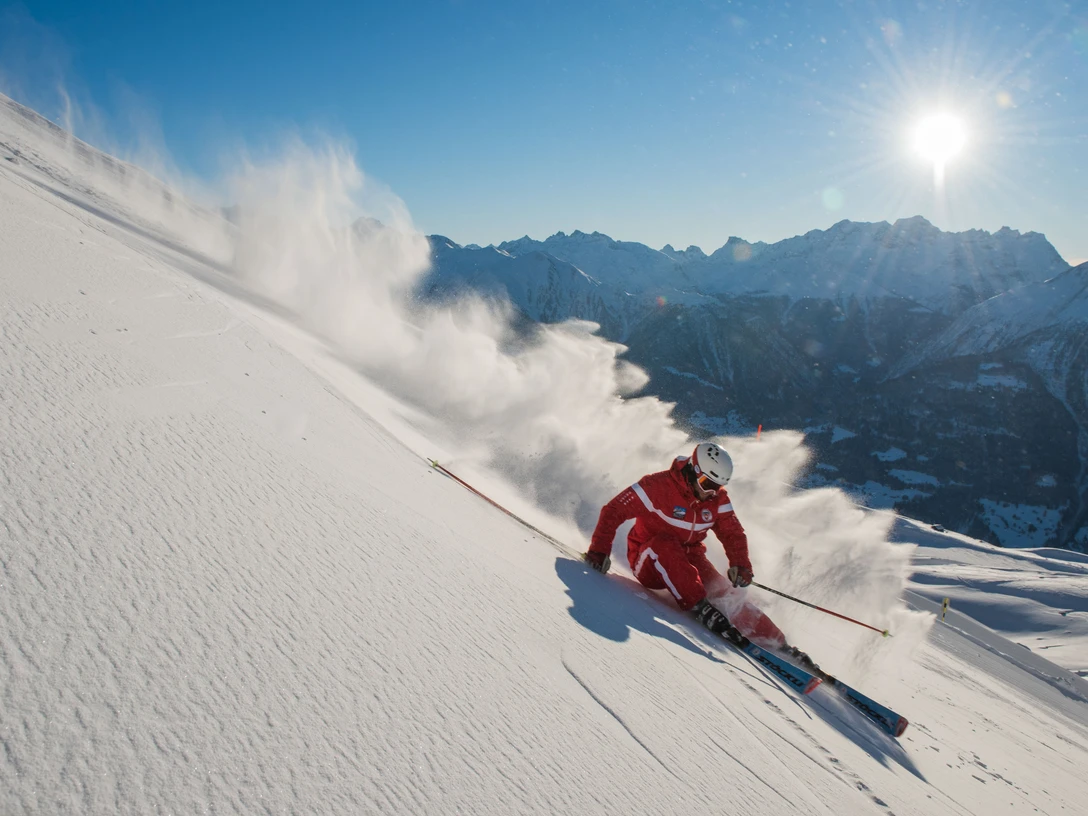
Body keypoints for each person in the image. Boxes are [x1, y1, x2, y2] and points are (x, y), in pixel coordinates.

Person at [584, 442, 816, 668]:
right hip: (648, 559)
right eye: (706, 483)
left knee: (723, 591)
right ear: (694, 470)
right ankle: (700, 606)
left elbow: (733, 533)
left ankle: (779, 644)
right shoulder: (657, 486)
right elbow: (614, 510)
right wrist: (598, 551)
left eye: (716, 487)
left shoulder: (717, 499)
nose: (710, 493)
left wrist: (741, 565)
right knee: (665, 546)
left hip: (690, 559)